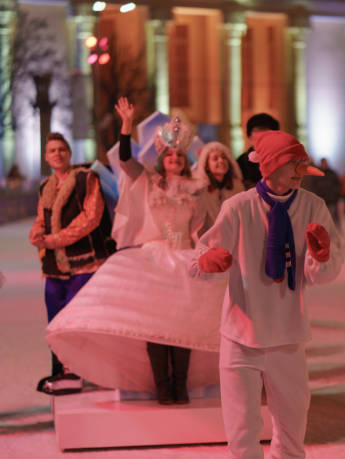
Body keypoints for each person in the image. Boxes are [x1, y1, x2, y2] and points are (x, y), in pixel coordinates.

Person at [45, 98, 223, 405]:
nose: (175, 159)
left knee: (184, 324)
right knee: (152, 327)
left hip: (184, 259)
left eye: (180, 156)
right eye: (170, 155)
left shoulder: (196, 189)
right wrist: (126, 124)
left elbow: (205, 228)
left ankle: (180, 386)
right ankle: (161, 387)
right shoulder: (148, 181)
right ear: (161, 158)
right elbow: (126, 158)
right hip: (152, 259)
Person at [191, 130, 343, 459]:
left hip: (288, 335)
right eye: (294, 164)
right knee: (241, 427)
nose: (301, 171)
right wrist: (206, 261)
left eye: (303, 164)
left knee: (292, 425)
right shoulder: (238, 207)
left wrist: (322, 257)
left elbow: (323, 276)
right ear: (271, 166)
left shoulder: (313, 207)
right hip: (240, 333)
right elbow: (203, 256)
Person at [29, 132, 116, 395]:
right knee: (55, 322)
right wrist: (36, 233)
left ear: (69, 153)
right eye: (52, 150)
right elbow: (42, 218)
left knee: (81, 321)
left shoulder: (85, 179)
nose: (57, 154)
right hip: (54, 267)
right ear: (46, 157)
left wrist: (56, 239)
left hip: (85, 261)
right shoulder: (45, 187)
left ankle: (86, 371)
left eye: (62, 149)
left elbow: (91, 218)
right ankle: (62, 372)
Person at [193, 141, 244, 233]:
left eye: (224, 157)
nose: (221, 161)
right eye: (215, 159)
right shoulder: (200, 190)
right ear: (206, 165)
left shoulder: (237, 187)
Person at [236, 113, 280, 189]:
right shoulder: (240, 162)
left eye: (266, 135)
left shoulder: (283, 160)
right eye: (258, 134)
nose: (262, 140)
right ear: (249, 136)